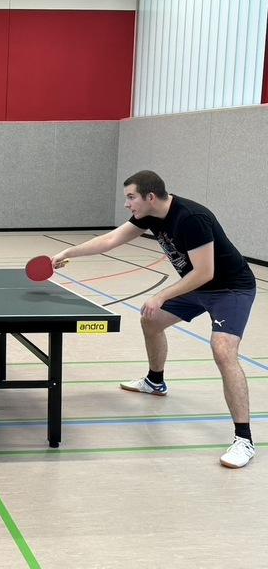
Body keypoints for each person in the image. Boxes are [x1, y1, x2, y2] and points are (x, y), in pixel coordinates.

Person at [52, 170, 257, 468]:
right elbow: (110, 240)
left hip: (230, 289)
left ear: (150, 196)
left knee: (223, 349)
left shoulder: (191, 218)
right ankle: (155, 381)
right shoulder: (148, 216)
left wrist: (161, 295)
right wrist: (68, 252)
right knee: (151, 320)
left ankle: (244, 439)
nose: (127, 204)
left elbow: (205, 272)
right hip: (197, 285)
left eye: (131, 197)